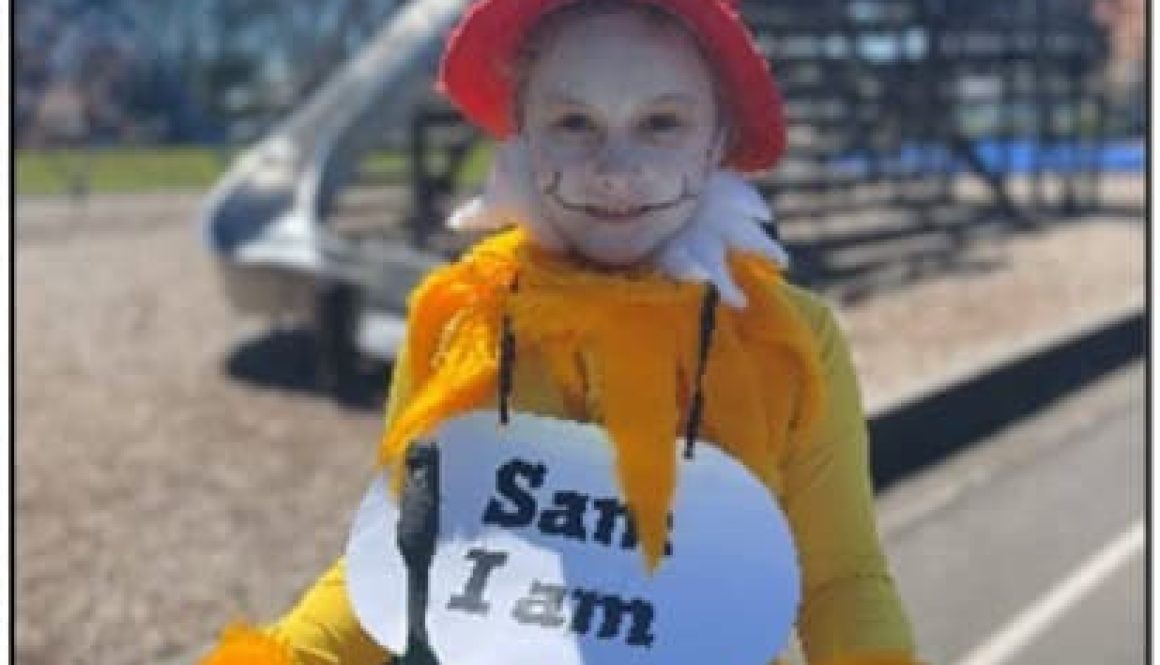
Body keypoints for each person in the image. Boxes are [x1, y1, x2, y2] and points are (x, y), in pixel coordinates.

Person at [200, 1, 923, 663]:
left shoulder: (791, 340)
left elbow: (840, 582)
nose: (615, 172)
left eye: (661, 123)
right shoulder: (459, 318)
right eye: (574, 124)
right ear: (521, 128)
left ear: (718, 139)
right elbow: (403, 557)